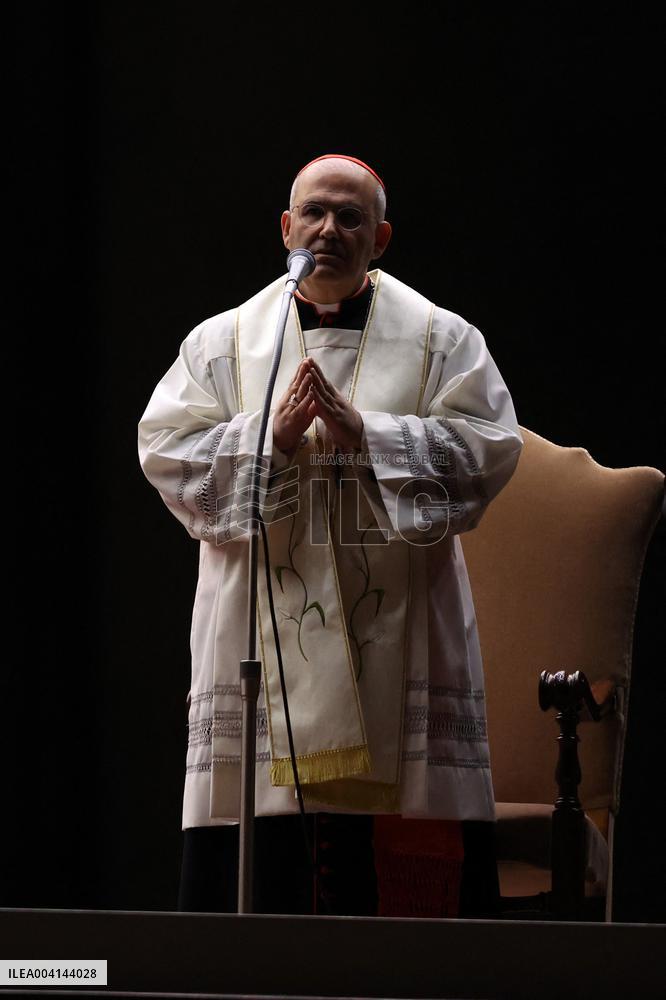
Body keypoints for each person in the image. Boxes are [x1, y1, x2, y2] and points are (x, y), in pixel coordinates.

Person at [138, 154, 523, 917]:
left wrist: (371, 436)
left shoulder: (441, 340)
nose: (329, 230)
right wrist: (270, 442)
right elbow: (166, 451)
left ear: (380, 238)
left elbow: (491, 446)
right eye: (314, 213)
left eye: (351, 218)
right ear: (286, 227)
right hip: (258, 633)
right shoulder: (224, 343)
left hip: (402, 632)